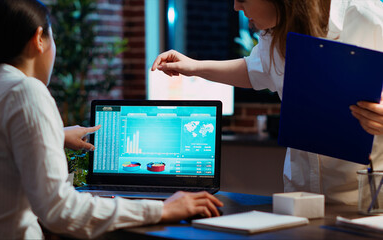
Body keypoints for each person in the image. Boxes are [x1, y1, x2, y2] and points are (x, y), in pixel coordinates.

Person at [0, 0, 223, 239]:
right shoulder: (26, 91)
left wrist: (56, 134)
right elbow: (59, 210)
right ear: (39, 38)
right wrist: (162, 209)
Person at [152, 0, 383, 205]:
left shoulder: (369, 17)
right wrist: (192, 66)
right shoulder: (275, 32)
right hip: (300, 196)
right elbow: (254, 70)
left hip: (363, 198)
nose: (236, 7)